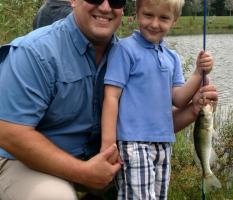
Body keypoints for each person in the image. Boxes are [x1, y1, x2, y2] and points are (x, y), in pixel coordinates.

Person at [0, 0, 218, 200]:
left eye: (115, 0)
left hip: (95, 163)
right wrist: (84, 173)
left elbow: (146, 125)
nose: (105, 7)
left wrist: (193, 110)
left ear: (123, 8)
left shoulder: (124, 52)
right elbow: (9, 133)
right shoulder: (35, 51)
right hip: (22, 162)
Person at [100, 0, 214, 199]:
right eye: (148, 15)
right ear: (136, 13)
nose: (154, 24)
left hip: (164, 143)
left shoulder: (172, 58)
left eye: (163, 18)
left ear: (174, 21)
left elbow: (179, 99)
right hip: (133, 142)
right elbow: (111, 97)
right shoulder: (124, 50)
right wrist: (108, 145)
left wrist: (197, 73)